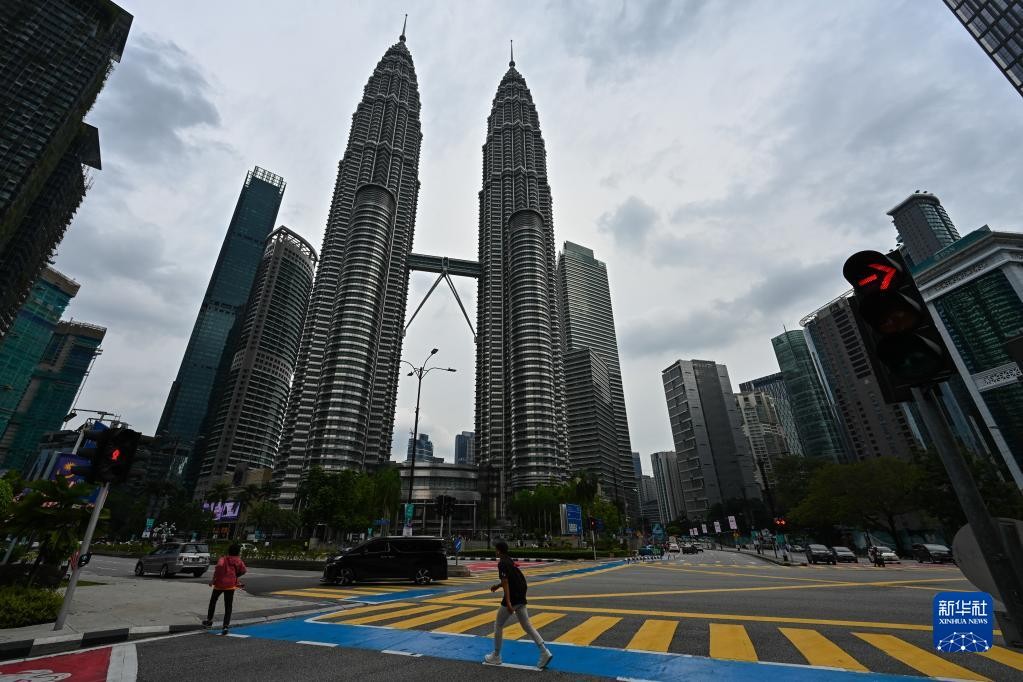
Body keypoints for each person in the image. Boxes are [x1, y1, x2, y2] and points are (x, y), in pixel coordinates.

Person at [484, 540, 553, 670]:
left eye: (496, 549)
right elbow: (508, 579)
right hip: (521, 594)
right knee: (527, 625)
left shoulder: (502, 563)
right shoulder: (509, 560)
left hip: (514, 596)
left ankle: (496, 656)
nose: (495, 551)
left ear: (498, 551)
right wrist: (497, 586)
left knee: (498, 624)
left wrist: (508, 602)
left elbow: (506, 583)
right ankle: (544, 651)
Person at [203, 543, 247, 635]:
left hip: (219, 584)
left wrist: (213, 580)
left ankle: (209, 621)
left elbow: (218, 567)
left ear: (229, 550)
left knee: (213, 601)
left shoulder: (223, 559)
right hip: (230, 585)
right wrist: (235, 576)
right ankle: (225, 626)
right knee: (228, 606)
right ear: (238, 552)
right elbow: (243, 570)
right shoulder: (239, 561)